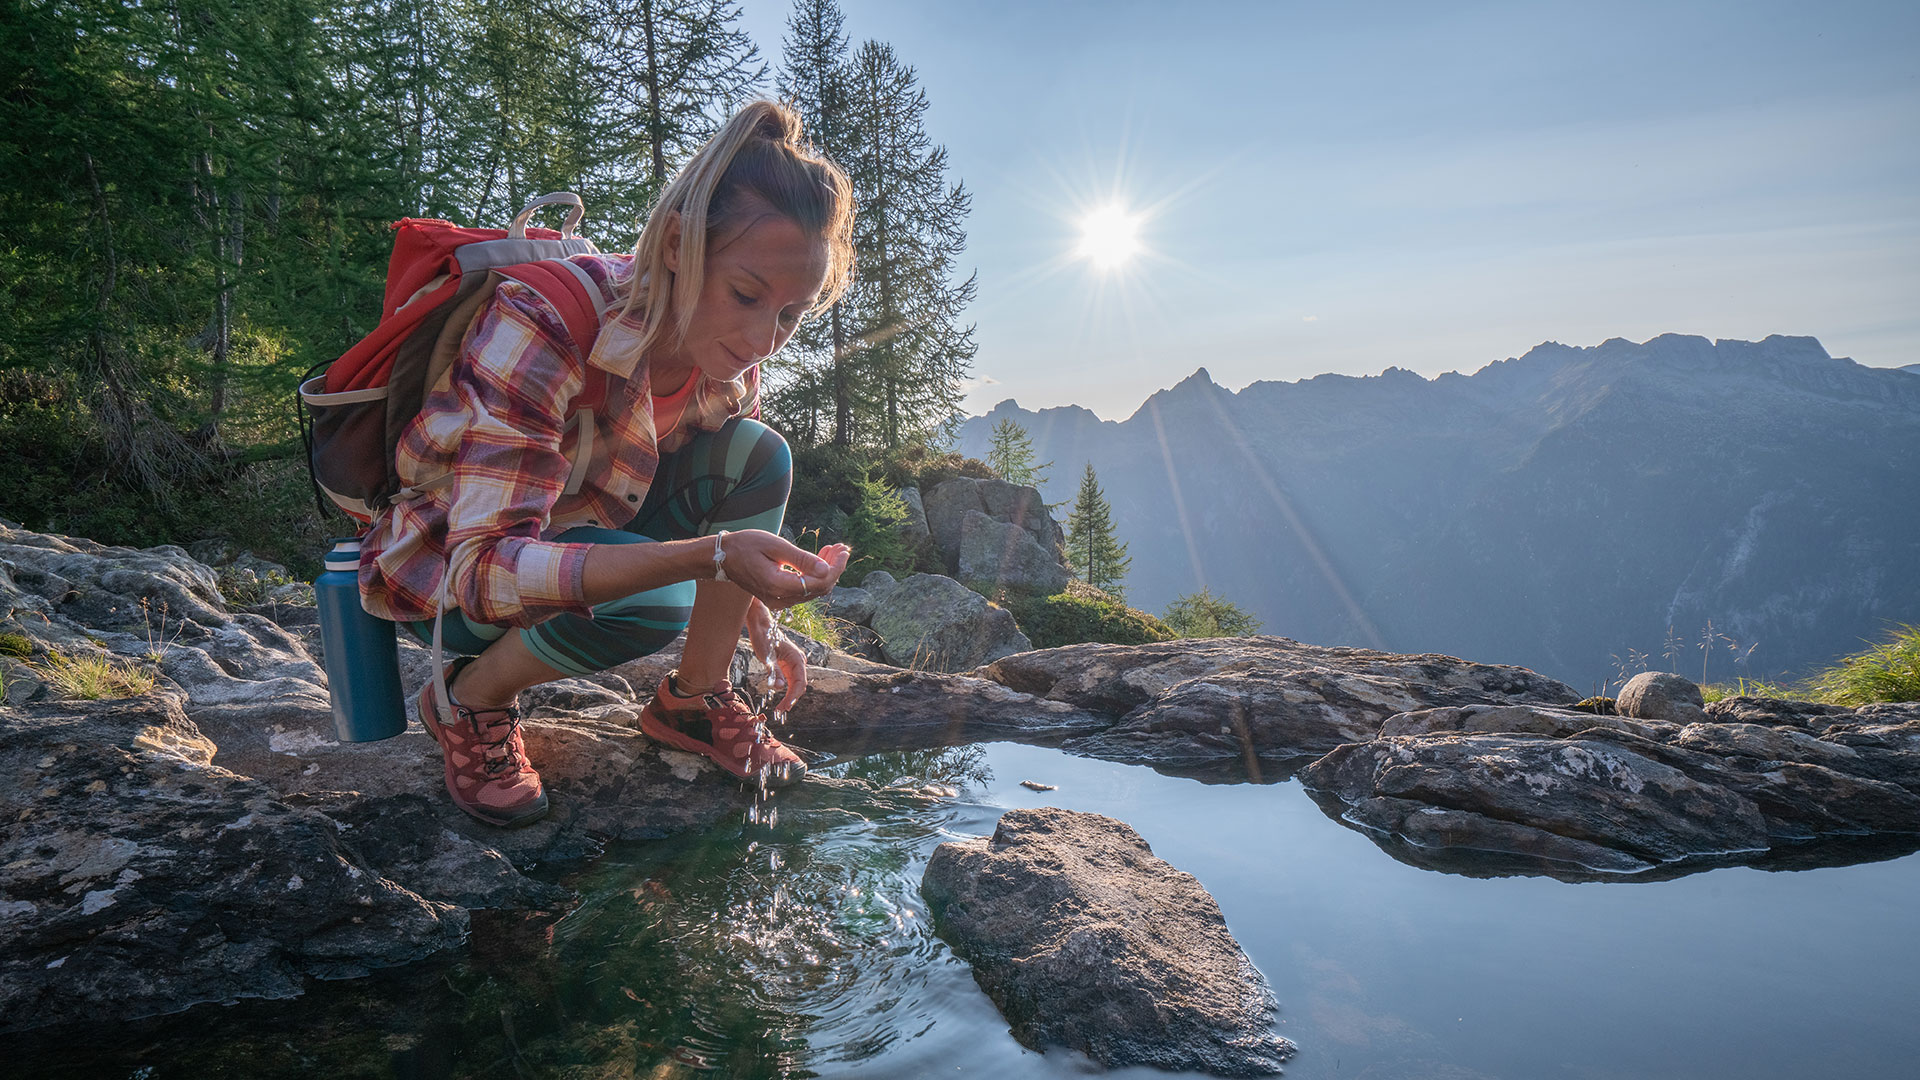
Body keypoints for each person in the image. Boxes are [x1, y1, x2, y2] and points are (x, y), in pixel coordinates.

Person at [355, 101, 855, 827]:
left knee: (759, 454)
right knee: (656, 598)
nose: (764, 340)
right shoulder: (544, 323)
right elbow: (484, 569)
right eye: (746, 295)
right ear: (679, 247)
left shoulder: (728, 364)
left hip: (586, 521)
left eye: (791, 314)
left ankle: (691, 700)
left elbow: (727, 507)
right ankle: (469, 699)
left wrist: (753, 605)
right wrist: (709, 557)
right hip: (452, 575)